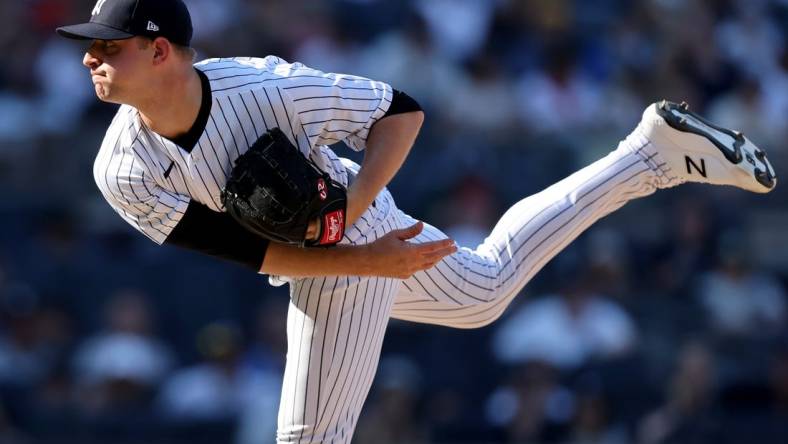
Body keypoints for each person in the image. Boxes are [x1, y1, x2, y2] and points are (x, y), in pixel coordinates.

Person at [55, 0, 776, 442]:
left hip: (353, 222)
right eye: (90, 44)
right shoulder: (123, 170)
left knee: (310, 438)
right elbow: (256, 257)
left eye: (108, 45)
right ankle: (649, 155)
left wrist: (354, 214)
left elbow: (399, 110)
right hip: (321, 253)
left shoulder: (265, 88)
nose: (90, 55)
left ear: (158, 51)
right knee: (486, 289)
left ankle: (648, 156)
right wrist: (358, 255)